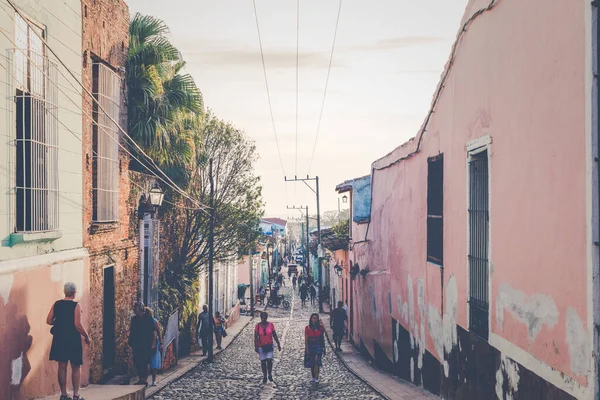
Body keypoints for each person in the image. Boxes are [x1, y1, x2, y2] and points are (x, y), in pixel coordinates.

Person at [47, 282, 90, 400]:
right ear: (74, 293)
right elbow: (78, 325)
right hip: (73, 339)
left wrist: (59, 321)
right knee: (76, 366)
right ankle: (76, 395)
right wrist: (87, 336)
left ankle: (63, 395)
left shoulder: (57, 304)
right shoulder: (76, 305)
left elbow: (49, 320)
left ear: (65, 292)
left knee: (62, 366)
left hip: (60, 338)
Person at [129, 301, 156, 386]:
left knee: (146, 362)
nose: (135, 309)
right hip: (136, 344)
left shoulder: (148, 318)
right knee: (138, 361)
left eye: (136, 307)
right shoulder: (134, 319)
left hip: (146, 343)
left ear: (140, 308)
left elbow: (153, 331)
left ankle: (145, 379)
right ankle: (141, 379)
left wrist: (153, 343)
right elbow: (132, 331)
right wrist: (130, 341)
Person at [254, 312, 281, 384]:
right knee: (263, 361)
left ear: (267, 317)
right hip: (261, 346)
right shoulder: (258, 326)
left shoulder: (271, 325)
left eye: (265, 317)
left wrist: (278, 344)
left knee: (269, 360)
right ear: (260, 317)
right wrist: (256, 346)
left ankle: (270, 374)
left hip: (269, 345)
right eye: (262, 317)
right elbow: (256, 336)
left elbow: (274, 334)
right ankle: (265, 376)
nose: (263, 318)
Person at [304, 313, 326, 383]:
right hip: (310, 345)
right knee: (312, 363)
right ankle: (313, 376)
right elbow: (306, 339)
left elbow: (322, 338)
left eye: (316, 318)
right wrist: (307, 348)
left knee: (317, 361)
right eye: (313, 318)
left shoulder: (321, 328)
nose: (315, 320)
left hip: (318, 345)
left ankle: (316, 377)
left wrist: (324, 347)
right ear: (311, 319)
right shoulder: (307, 328)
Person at [145, 307, 163, 386]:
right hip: (146, 343)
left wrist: (161, 343)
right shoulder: (143, 321)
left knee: (154, 362)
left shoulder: (154, 321)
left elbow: (158, 332)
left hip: (154, 343)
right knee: (147, 362)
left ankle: (153, 380)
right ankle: (145, 380)